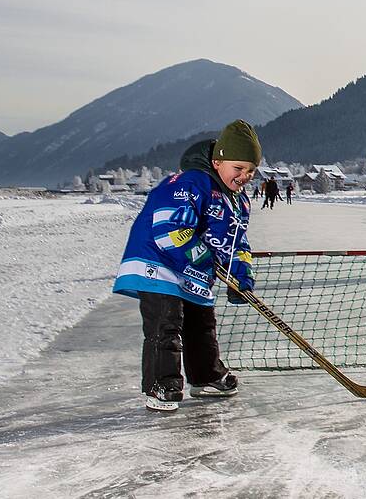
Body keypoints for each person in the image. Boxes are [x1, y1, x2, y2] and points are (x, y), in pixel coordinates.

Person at [111, 120, 261, 412]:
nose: (244, 176)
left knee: (202, 323)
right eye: (238, 168)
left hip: (193, 271)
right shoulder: (190, 182)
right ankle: (161, 384)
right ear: (218, 162)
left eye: (250, 170)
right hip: (157, 263)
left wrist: (242, 277)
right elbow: (169, 230)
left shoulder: (239, 202)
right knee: (166, 323)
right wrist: (203, 258)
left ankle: (206, 376)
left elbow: (235, 244)